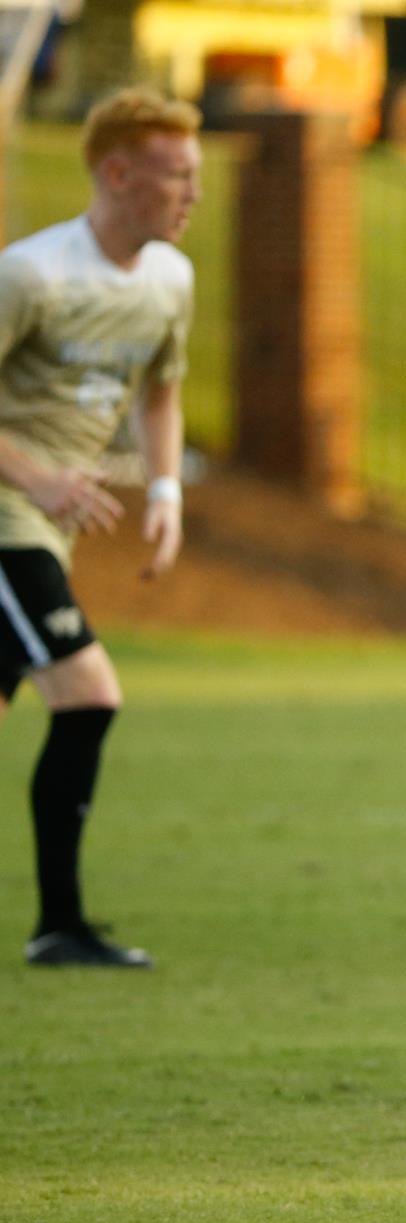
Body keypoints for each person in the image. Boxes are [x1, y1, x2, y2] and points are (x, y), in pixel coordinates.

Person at [0, 88, 197, 969]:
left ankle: (58, 926)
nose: (193, 193)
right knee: (89, 692)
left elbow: (161, 391)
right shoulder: (32, 275)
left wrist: (165, 492)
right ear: (118, 175)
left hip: (44, 528)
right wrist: (38, 477)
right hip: (8, 519)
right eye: (177, 175)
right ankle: (61, 925)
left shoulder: (171, 280)